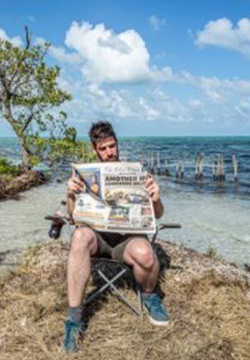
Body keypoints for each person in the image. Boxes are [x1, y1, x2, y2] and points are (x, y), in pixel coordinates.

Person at [63, 121, 167, 352]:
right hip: (97, 239)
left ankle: (149, 296)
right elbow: (72, 214)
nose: (110, 152)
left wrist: (156, 198)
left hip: (126, 241)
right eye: (104, 148)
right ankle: (74, 319)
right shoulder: (84, 175)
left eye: (112, 146)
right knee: (79, 238)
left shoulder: (136, 173)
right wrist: (70, 194)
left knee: (145, 253)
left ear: (117, 145)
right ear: (95, 150)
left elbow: (157, 214)